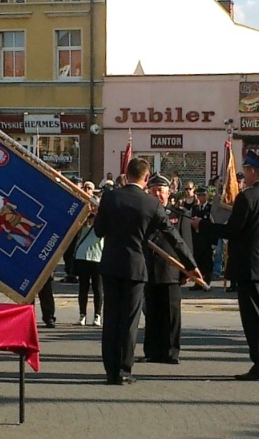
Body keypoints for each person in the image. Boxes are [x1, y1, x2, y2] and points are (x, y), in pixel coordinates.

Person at [94, 158, 200, 385]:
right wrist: (191, 266)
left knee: (111, 319)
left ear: (127, 174)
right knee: (129, 321)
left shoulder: (111, 198)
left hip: (111, 265)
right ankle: (123, 370)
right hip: (136, 267)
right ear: (145, 177)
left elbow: (99, 231)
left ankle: (110, 370)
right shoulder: (151, 204)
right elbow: (174, 237)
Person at [192, 151, 259, 381]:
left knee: (253, 319)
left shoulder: (248, 197)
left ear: (252, 171)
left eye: (245, 171)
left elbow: (233, 231)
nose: (243, 176)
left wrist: (202, 225)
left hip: (250, 266)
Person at [138, 174, 194, 365]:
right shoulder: (144, 213)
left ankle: (171, 352)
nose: (158, 195)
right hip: (149, 268)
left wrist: (187, 269)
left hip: (172, 270)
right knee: (152, 314)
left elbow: (186, 242)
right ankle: (152, 351)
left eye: (161, 191)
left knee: (171, 315)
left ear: (169, 193)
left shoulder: (178, 215)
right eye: (154, 191)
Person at [73, 198, 103, 326]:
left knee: (98, 288)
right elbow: (75, 228)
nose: (93, 208)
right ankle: (82, 315)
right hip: (82, 255)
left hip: (98, 256)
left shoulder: (102, 219)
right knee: (83, 287)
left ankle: (97, 315)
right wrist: (86, 215)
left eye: (95, 205)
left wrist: (98, 216)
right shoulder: (82, 218)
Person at [190, 186, 214, 290]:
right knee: (197, 260)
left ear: (207, 195)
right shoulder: (195, 208)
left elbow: (212, 224)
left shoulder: (210, 208)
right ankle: (198, 282)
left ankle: (207, 281)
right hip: (197, 238)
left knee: (207, 261)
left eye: (203, 195)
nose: (201, 197)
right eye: (199, 195)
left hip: (206, 239)